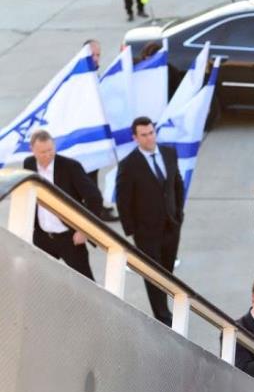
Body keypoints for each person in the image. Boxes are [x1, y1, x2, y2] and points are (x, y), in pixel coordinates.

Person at [116, 117, 184, 326]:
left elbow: (177, 184)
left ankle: (166, 307)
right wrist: (132, 230)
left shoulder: (169, 153)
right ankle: (162, 316)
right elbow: (123, 199)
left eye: (151, 132)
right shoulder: (129, 164)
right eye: (144, 135)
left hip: (171, 225)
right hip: (146, 231)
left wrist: (179, 214)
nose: (149, 138)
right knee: (153, 274)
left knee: (167, 269)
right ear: (135, 138)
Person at [23, 129, 103, 280]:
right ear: (32, 150)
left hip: (70, 239)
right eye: (42, 152)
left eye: (50, 150)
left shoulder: (70, 167)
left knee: (85, 285)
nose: (47, 155)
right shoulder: (28, 164)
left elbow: (94, 198)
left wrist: (84, 230)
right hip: (42, 238)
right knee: (43, 282)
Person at [82, 39, 120, 223]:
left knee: (92, 172)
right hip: (86, 135)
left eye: (98, 55)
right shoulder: (81, 78)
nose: (97, 59)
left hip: (95, 132)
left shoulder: (92, 74)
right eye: (93, 55)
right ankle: (93, 209)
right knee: (87, 174)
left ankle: (93, 207)